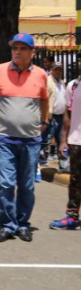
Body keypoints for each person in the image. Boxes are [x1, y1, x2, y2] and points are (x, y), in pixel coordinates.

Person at [0, 32, 49, 243]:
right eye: (15, 47)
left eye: (22, 48)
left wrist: (44, 122)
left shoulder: (41, 74)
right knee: (6, 184)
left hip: (31, 139)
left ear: (32, 52)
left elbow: (44, 100)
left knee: (26, 185)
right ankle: (8, 225)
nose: (17, 51)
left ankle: (23, 224)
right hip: (4, 138)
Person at [50, 72, 81, 230]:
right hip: (76, 141)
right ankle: (72, 217)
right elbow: (68, 114)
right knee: (75, 181)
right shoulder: (73, 85)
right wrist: (63, 140)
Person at [41, 63, 66, 164]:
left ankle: (62, 162)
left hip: (60, 116)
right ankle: (41, 159)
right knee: (47, 138)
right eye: (56, 70)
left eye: (60, 70)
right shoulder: (47, 81)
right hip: (50, 115)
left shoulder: (61, 82)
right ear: (51, 70)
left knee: (60, 139)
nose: (58, 72)